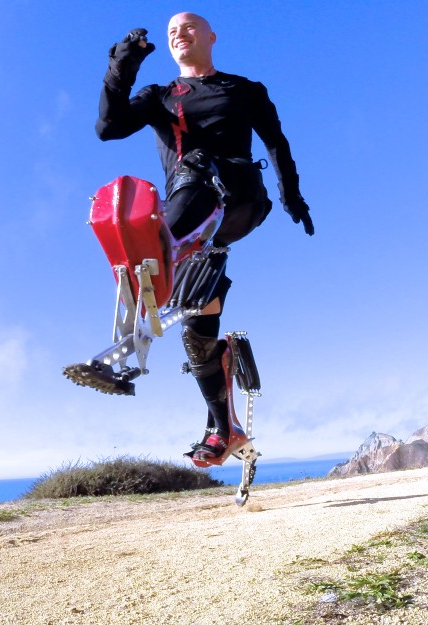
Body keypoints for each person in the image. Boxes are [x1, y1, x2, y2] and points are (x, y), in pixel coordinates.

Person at [95, 12, 313, 463]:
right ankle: (223, 428)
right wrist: (123, 65)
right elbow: (108, 127)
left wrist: (293, 199)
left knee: (193, 164)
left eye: (189, 26)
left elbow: (277, 144)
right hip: (194, 220)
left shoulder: (245, 90)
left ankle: (155, 258)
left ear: (211, 36)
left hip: (237, 198)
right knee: (198, 328)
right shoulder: (160, 96)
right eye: (172, 30)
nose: (179, 33)